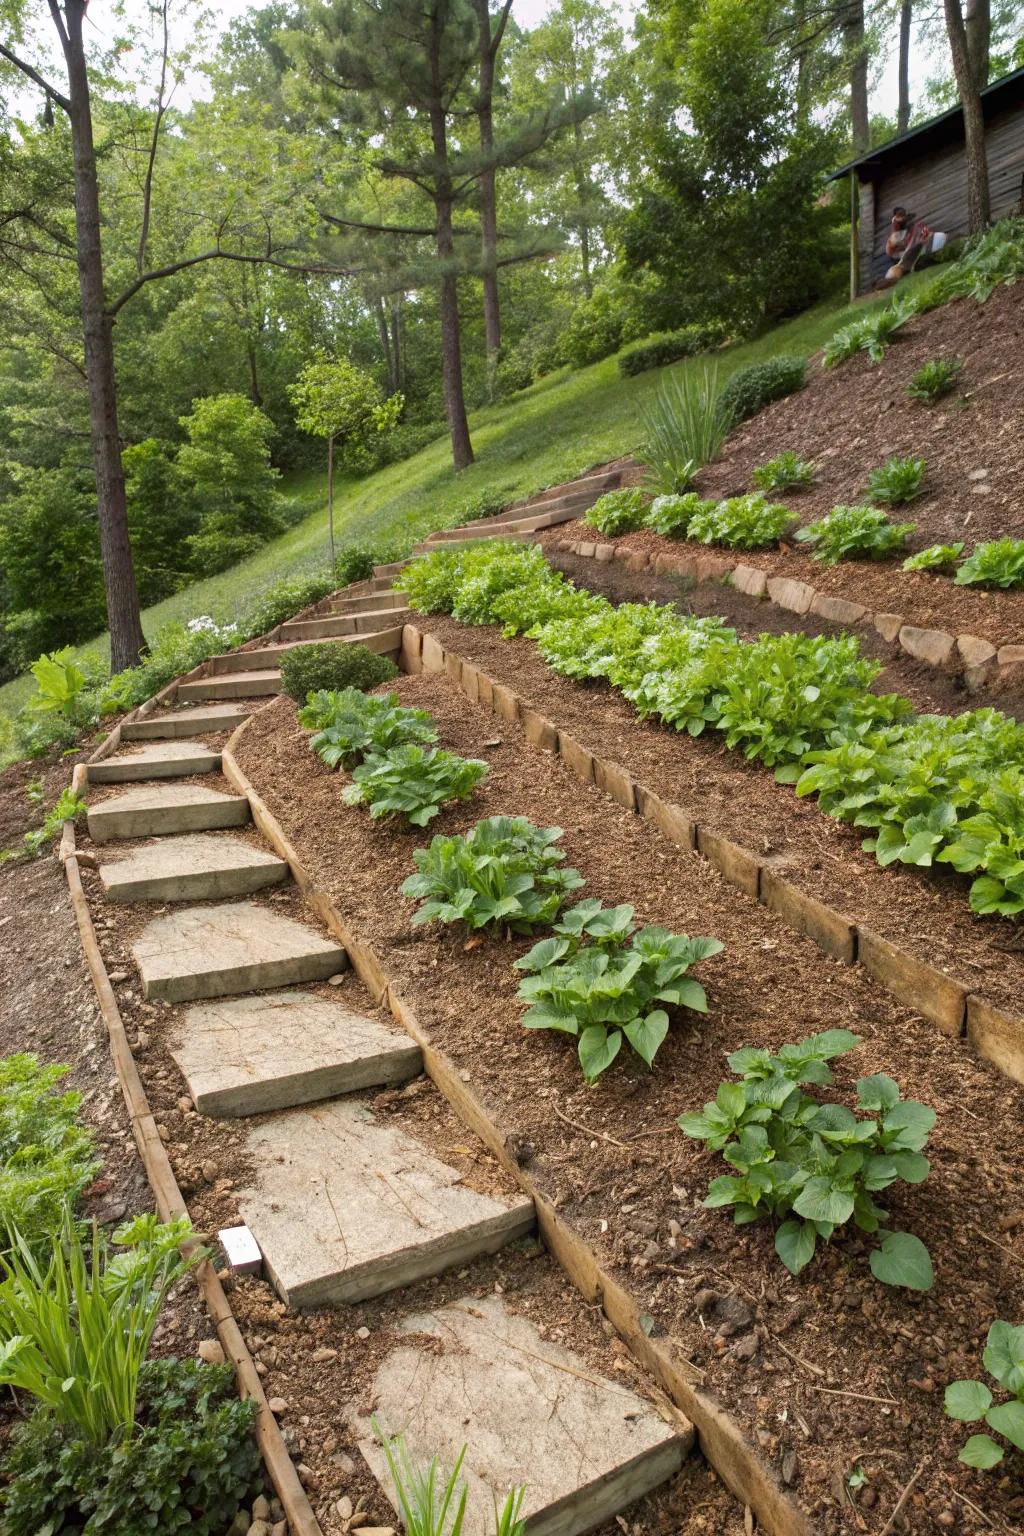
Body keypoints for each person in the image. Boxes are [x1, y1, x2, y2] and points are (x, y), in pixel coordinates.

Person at [882, 205, 947, 283]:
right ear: (896, 216)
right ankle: (894, 276)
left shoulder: (906, 223)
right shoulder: (895, 230)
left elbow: (914, 234)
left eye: (903, 215)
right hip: (898, 251)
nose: (903, 217)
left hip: (908, 245)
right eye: (900, 215)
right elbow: (894, 243)